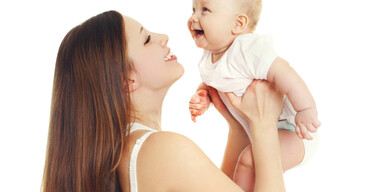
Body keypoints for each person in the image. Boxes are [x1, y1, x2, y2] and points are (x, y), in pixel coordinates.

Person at [42, 10, 286, 192]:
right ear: (126, 80)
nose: (163, 37)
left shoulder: (127, 153)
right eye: (147, 39)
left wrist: (237, 127)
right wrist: (264, 126)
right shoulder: (163, 149)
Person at [188, 0, 321, 191]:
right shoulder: (208, 56)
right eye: (193, 9)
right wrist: (202, 96)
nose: (194, 17)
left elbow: (284, 72)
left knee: (248, 161)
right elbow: (212, 83)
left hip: (293, 131)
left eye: (204, 10)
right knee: (246, 162)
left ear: (238, 23)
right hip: (260, 131)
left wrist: (305, 108)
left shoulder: (247, 48)